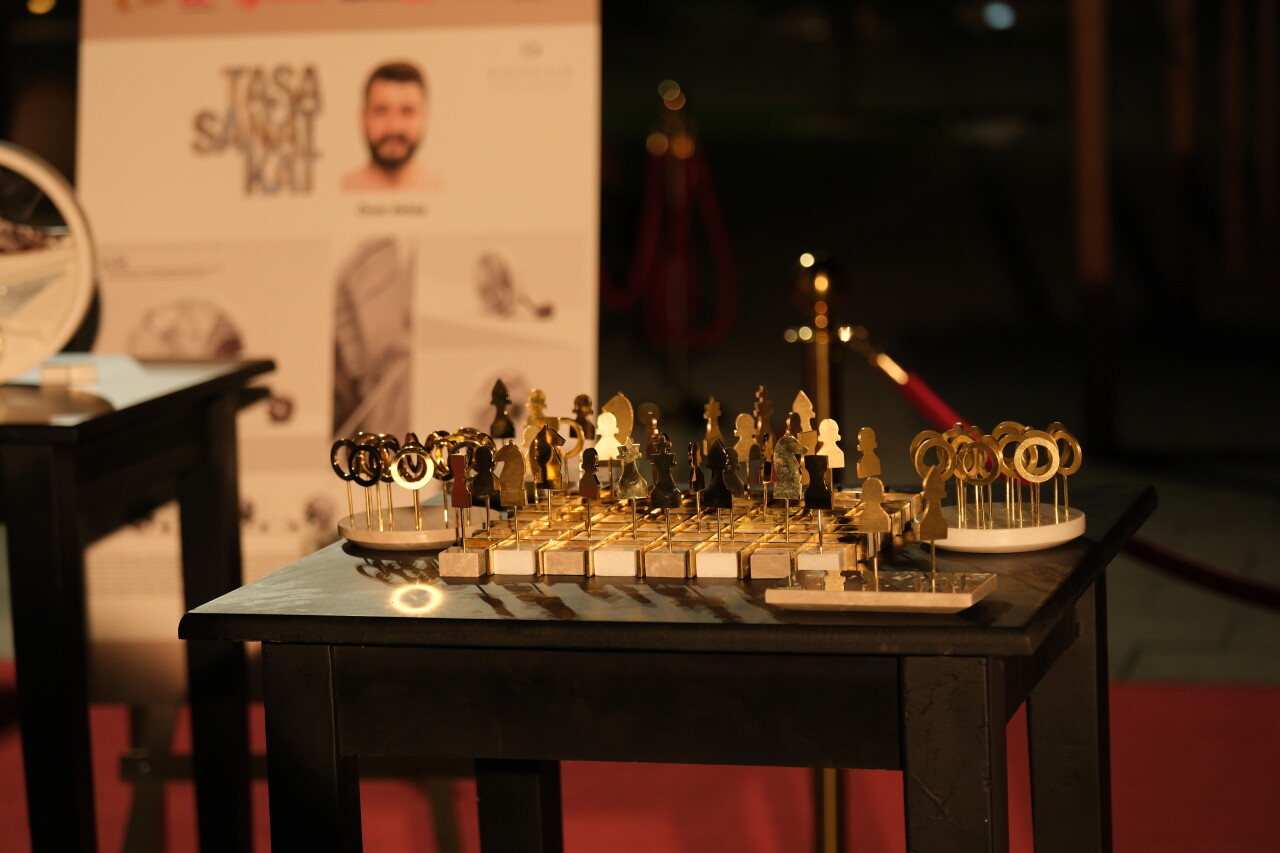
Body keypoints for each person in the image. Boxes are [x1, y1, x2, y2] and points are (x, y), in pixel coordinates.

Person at [343, 61, 434, 191]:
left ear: (425, 117)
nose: (394, 127)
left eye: (407, 111)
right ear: (363, 117)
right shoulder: (341, 188)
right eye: (381, 111)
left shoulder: (443, 190)